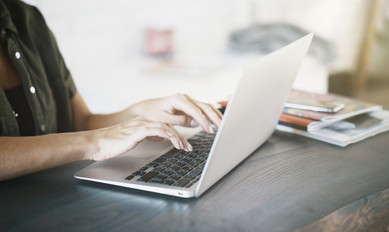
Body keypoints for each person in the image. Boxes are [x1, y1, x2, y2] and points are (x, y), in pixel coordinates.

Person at [0, 0, 222, 181]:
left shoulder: (28, 20)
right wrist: (92, 144)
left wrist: (141, 113)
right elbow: (88, 138)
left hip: (59, 195)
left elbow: (82, 122)